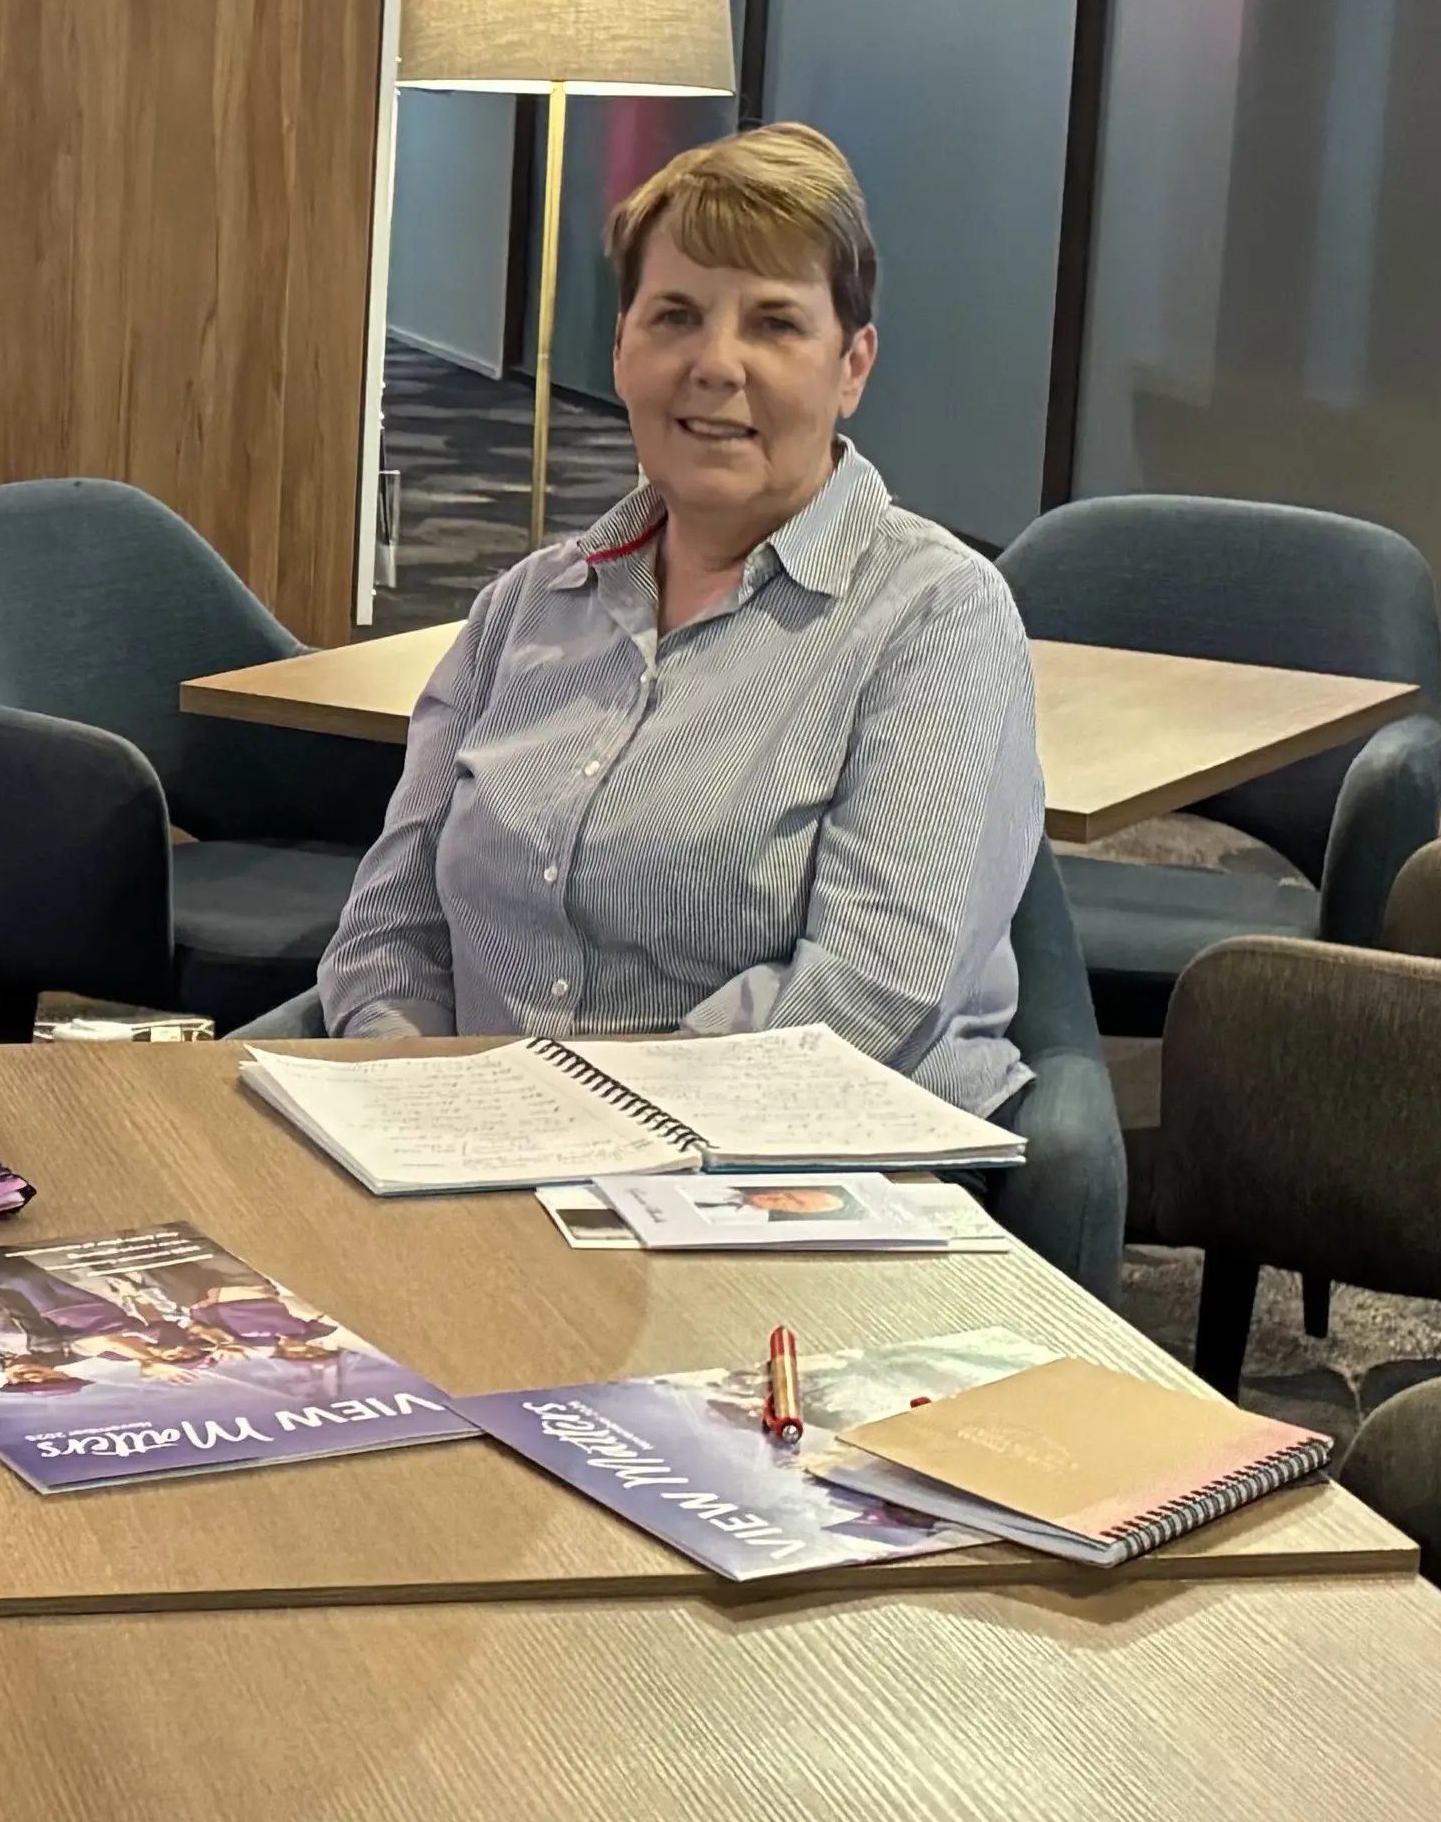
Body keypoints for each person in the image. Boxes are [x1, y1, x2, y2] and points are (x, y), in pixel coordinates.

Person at [310, 124, 1044, 1119]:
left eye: (776, 324)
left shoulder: (937, 618)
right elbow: (389, 931)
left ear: (853, 364)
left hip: (788, 1174)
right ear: (621, 349)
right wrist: (417, 1104)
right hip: (480, 1163)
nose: (716, 363)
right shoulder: (525, 607)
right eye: (676, 316)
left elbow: (875, 992)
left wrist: (575, 1121)